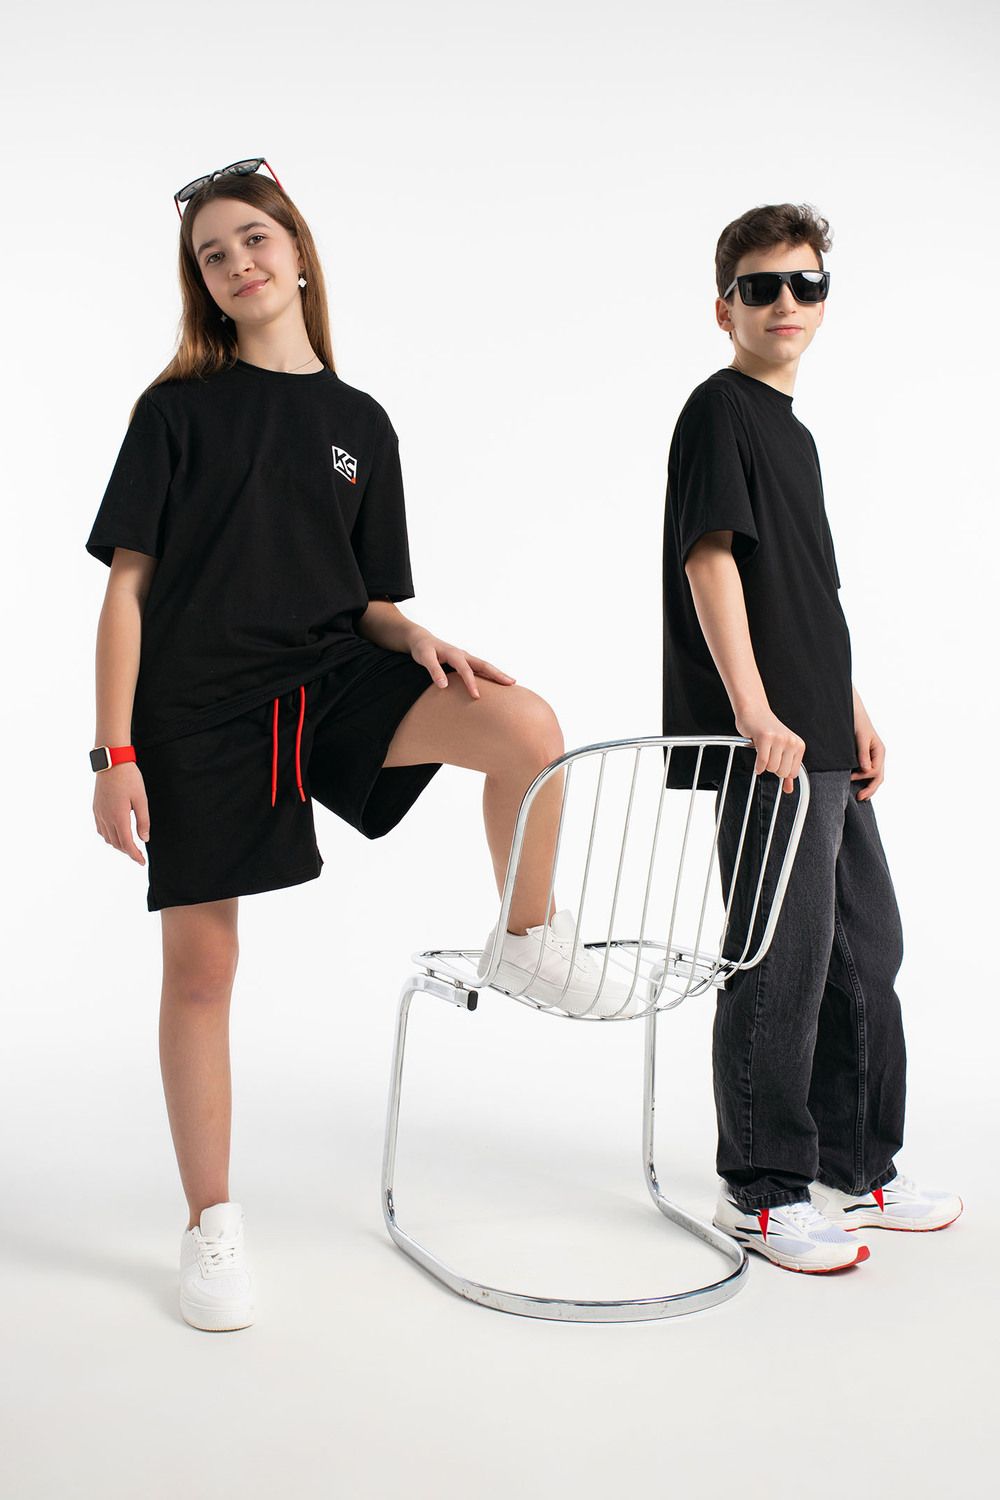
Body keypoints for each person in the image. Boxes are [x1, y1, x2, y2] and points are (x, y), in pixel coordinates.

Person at [85, 158, 626, 1333]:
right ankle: (210, 1223)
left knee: (524, 725)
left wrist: (414, 633)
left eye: (252, 239)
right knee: (203, 972)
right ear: (201, 283)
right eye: (212, 255)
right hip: (201, 708)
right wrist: (112, 753)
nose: (236, 264)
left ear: (297, 251)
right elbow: (128, 587)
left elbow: (365, 594)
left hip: (331, 678)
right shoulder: (175, 411)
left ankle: (525, 938)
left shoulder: (359, 423)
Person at [661, 201, 962, 1274]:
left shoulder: (793, 433)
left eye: (805, 284)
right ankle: (760, 1189)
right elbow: (710, 561)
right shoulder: (719, 411)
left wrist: (853, 708)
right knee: (778, 965)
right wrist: (753, 711)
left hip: (821, 732)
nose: (785, 301)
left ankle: (856, 1166)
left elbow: (807, 595)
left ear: (824, 302)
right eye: (761, 287)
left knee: (864, 954)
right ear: (725, 308)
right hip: (769, 743)